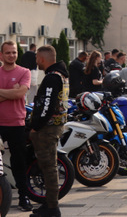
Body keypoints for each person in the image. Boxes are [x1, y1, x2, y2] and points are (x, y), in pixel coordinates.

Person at [30, 45, 70, 217]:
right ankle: (49, 204)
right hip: (55, 126)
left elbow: (47, 106)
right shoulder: (61, 75)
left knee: (49, 167)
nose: (36, 61)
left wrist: (35, 126)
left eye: (37, 58)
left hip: (47, 129)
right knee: (49, 166)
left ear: (42, 59)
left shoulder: (52, 78)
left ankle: (52, 208)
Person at [0, 41, 33, 211]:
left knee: (19, 162)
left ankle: (23, 197)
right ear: (1, 55)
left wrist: (14, 92)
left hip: (16, 123)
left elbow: (20, 93)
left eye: (14, 52)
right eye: (8, 52)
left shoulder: (24, 72)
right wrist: (12, 92)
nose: (11, 55)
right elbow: (16, 93)